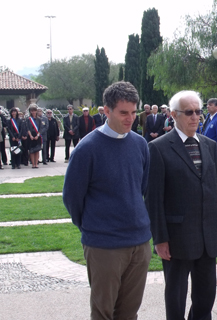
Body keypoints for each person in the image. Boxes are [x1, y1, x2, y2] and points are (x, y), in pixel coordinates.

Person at [63, 81, 151, 319]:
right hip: (104, 244)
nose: (130, 118)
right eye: (124, 112)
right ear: (106, 110)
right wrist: (94, 226)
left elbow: (140, 188)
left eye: (134, 112)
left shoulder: (140, 144)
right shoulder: (87, 148)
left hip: (140, 242)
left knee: (129, 312)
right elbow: (72, 198)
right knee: (103, 312)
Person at [145, 90, 217, 319]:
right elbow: (153, 198)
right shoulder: (158, 148)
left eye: (198, 112)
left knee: (206, 296)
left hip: (207, 235)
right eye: (188, 112)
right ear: (173, 115)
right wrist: (160, 238)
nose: (195, 117)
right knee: (176, 297)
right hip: (176, 238)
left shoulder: (209, 145)